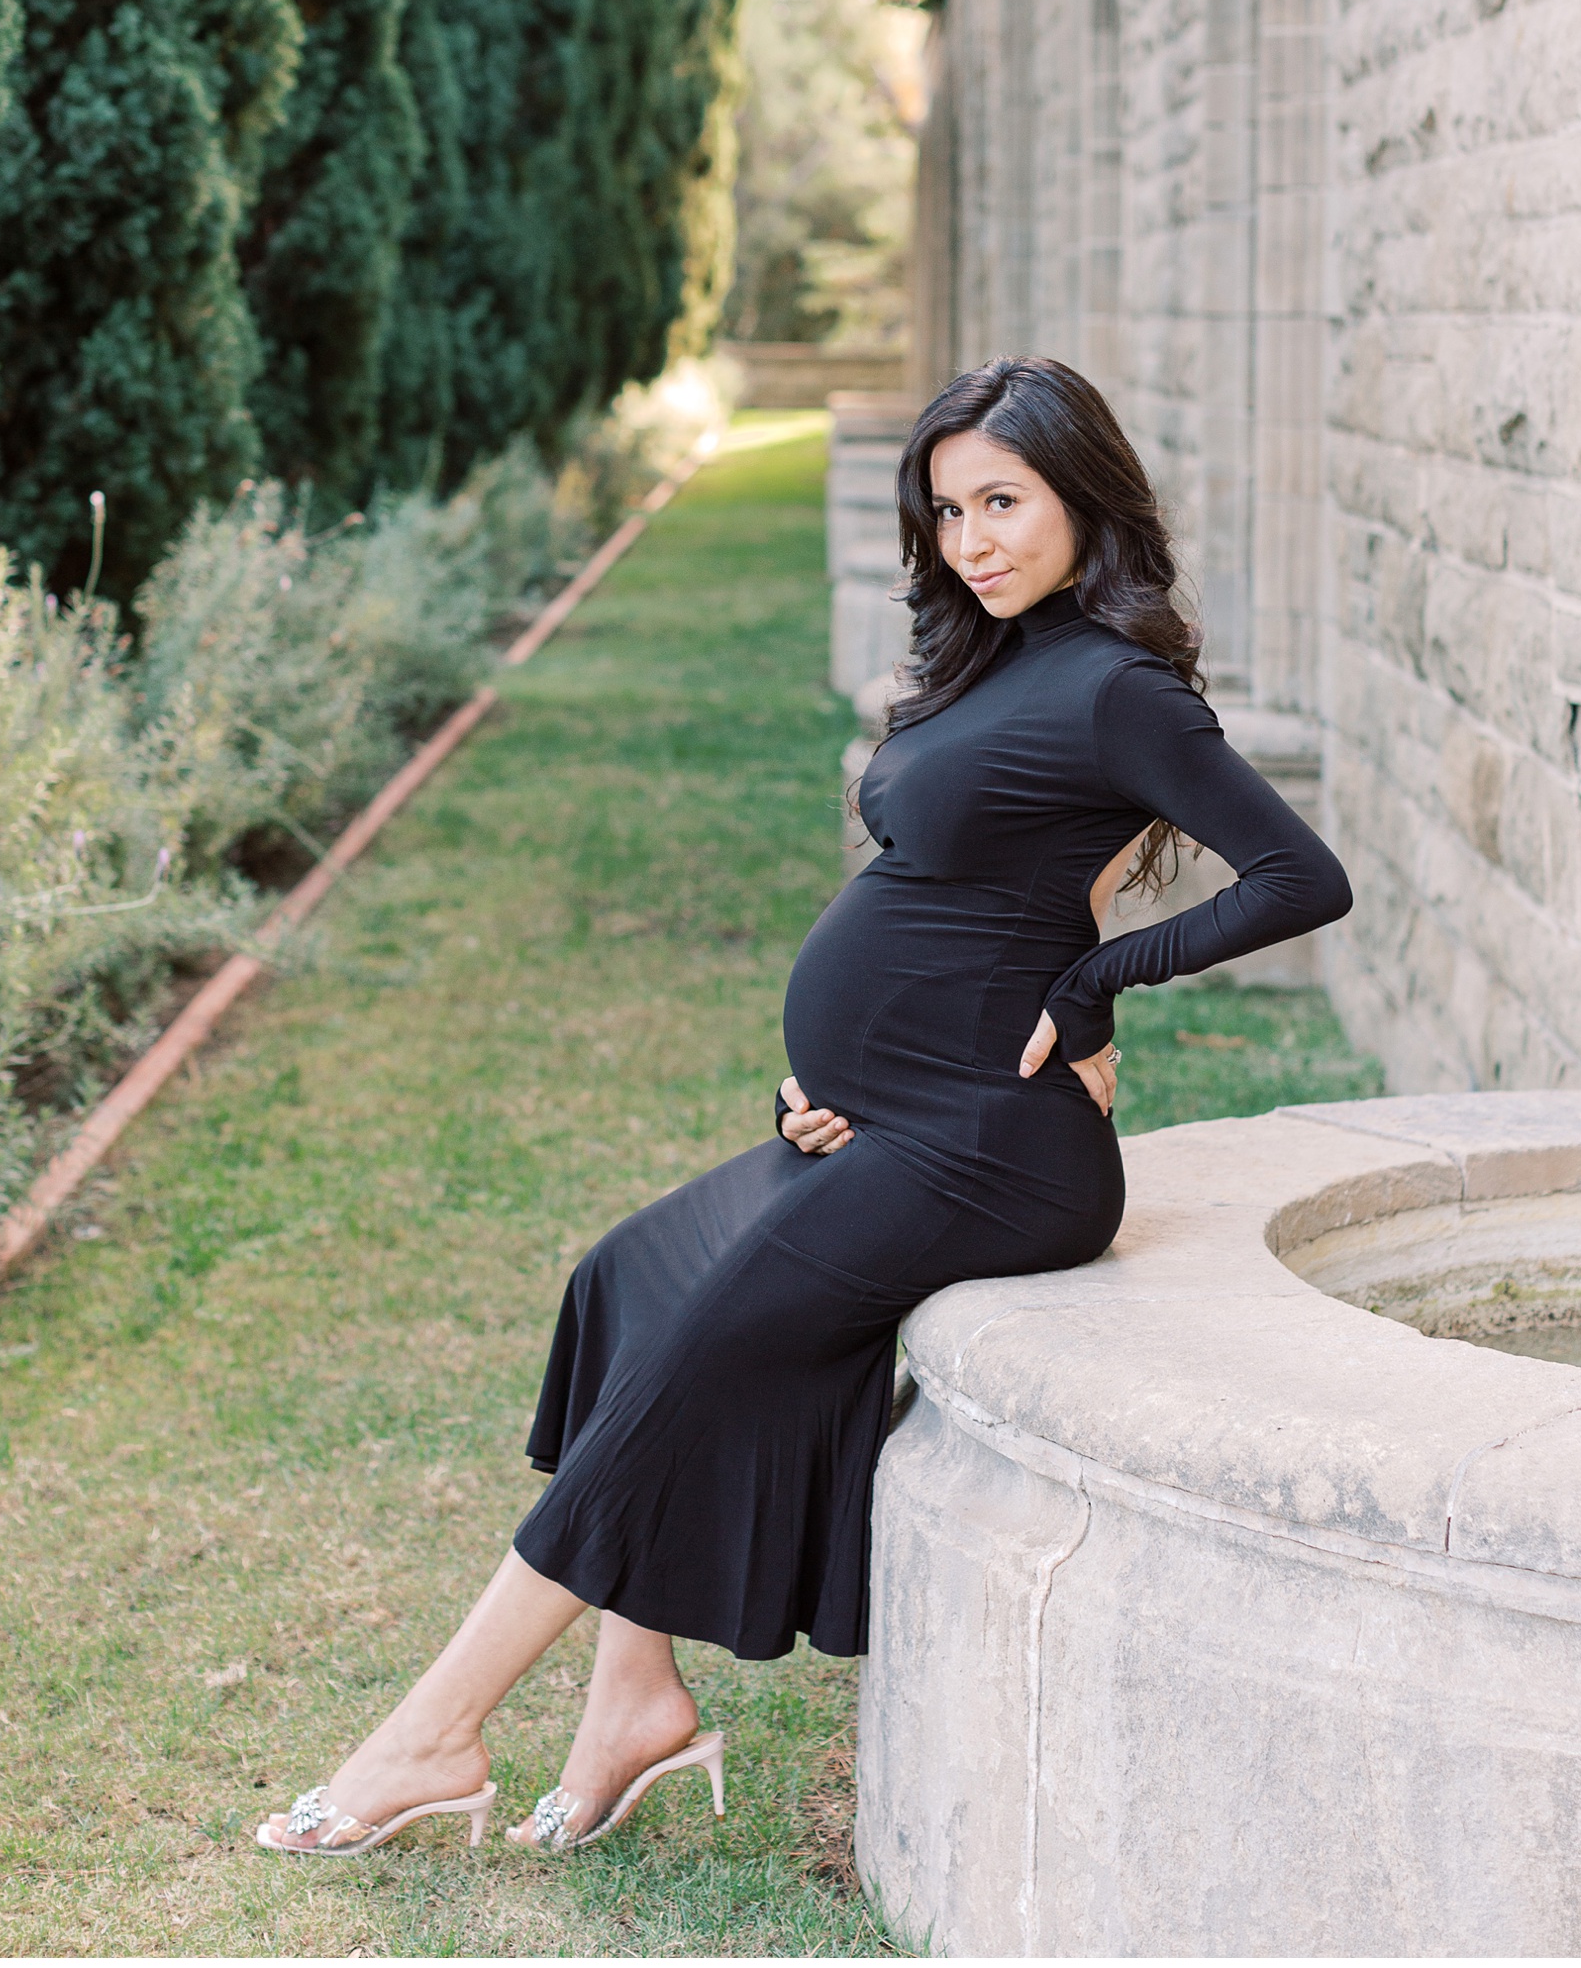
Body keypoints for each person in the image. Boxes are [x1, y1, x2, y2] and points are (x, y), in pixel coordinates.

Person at [256, 355, 1353, 1859]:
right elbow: (961, 887)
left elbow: (1302, 876)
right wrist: (832, 1068)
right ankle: (631, 1697)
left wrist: (1099, 985)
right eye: (947, 510)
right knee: (633, 1278)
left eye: (1003, 502)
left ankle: (433, 1735)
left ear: (1082, 496)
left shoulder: (1120, 689)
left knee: (696, 1351)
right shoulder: (991, 658)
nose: (970, 540)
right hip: (886, 1115)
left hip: (995, 1147)